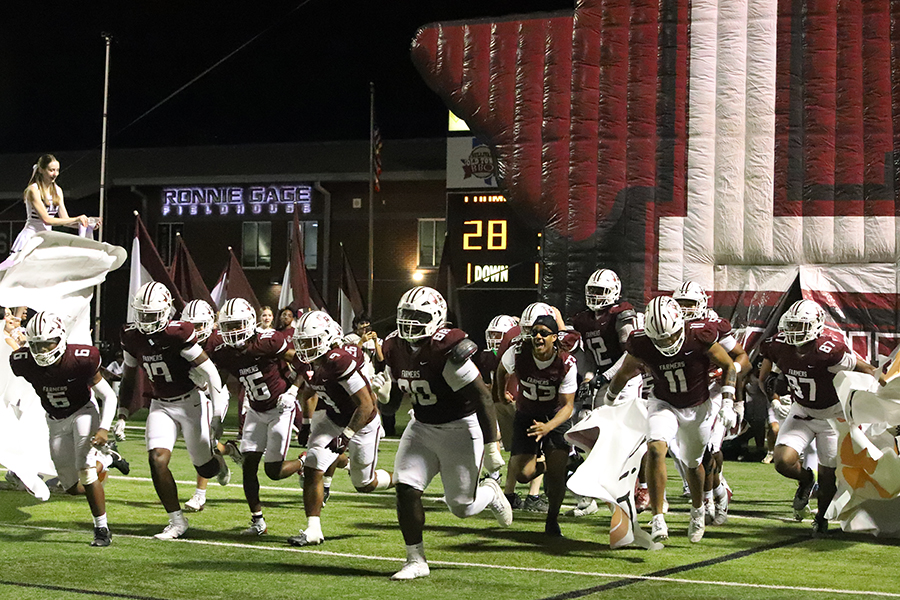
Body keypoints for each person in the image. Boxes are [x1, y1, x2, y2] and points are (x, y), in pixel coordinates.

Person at [383, 286, 511, 580]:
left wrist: (492, 446)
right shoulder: (394, 347)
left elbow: (482, 397)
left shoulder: (446, 349)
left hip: (460, 428)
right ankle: (416, 560)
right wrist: (383, 395)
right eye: (406, 314)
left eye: (419, 316)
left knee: (462, 507)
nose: (410, 321)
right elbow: (391, 409)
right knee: (405, 487)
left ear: (437, 318)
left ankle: (490, 492)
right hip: (422, 426)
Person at [606, 295, 739, 544]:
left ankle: (698, 510)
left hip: (698, 406)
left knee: (693, 463)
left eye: (669, 335)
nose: (666, 342)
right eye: (659, 338)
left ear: (680, 325)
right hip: (663, 402)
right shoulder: (642, 342)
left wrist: (730, 401)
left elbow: (730, 365)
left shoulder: (700, 335)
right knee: (655, 448)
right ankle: (658, 518)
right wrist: (609, 401)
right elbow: (625, 371)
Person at [118, 282, 230, 540]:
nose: (145, 320)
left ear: (167, 312)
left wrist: (216, 414)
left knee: (206, 469)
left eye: (152, 315)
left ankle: (218, 462)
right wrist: (123, 412)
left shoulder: (178, 333)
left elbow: (211, 372)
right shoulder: (131, 336)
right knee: (157, 460)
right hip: (160, 405)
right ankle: (177, 520)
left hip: (190, 402)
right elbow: (129, 376)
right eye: (142, 314)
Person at [758, 299, 878, 535]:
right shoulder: (778, 345)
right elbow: (765, 377)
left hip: (832, 417)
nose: (792, 332)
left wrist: (884, 385)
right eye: (790, 326)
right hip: (801, 410)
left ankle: (821, 519)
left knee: (828, 477)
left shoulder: (829, 351)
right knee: (782, 461)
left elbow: (864, 369)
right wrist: (773, 395)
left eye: (799, 326)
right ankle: (805, 479)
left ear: (815, 326)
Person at [10, 312, 123, 546]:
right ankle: (109, 459)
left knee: (86, 469)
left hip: (82, 412)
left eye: (47, 344)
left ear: (61, 339)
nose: (41, 351)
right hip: (55, 420)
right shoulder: (22, 360)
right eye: (36, 345)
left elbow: (108, 396)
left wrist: (103, 428)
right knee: (72, 487)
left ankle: (101, 529)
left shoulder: (81, 358)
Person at [289, 310, 392, 546]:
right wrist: (305, 423)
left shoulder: (339, 360)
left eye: (311, 341)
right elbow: (309, 389)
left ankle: (403, 479)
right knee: (313, 465)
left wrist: (346, 437)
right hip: (334, 418)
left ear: (327, 338)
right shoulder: (307, 361)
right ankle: (313, 529)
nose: (305, 347)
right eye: (302, 341)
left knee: (364, 484)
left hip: (362, 423)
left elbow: (365, 405)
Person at [206, 298, 306, 537]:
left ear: (250, 322)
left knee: (273, 471)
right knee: (249, 466)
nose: (232, 331)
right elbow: (214, 379)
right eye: (227, 326)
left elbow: (303, 362)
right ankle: (258, 521)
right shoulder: (223, 352)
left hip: (280, 408)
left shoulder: (269, 341)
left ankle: (303, 462)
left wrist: (293, 390)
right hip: (255, 410)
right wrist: (216, 414)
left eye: (237, 325)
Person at [673, 280, 750, 526]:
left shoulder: (711, 327)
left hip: (714, 392)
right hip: (684, 392)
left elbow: (740, 359)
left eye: (690, 304)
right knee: (689, 450)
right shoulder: (668, 324)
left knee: (708, 449)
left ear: (702, 304)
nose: (684, 309)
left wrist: (734, 398)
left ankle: (709, 498)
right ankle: (717, 491)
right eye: (680, 304)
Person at [496, 314, 576, 536]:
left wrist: (548, 427)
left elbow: (568, 406)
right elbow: (502, 369)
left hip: (555, 417)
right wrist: (500, 393)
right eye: (535, 333)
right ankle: (548, 464)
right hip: (527, 414)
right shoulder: (519, 352)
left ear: (554, 338)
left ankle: (552, 520)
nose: (538, 337)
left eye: (544, 333)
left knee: (557, 476)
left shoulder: (566, 362)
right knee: (522, 474)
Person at [570, 269, 642, 513]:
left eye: (600, 291)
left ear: (613, 291)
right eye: (592, 291)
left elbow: (629, 352)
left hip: (627, 379)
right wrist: (589, 377)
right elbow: (587, 356)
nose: (596, 296)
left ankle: (639, 487)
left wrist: (606, 377)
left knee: (623, 435)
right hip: (600, 380)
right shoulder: (583, 319)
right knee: (587, 431)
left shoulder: (621, 315)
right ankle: (595, 491)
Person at [179, 299, 243, 513]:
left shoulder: (219, 341)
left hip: (215, 393)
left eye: (198, 325)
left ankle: (199, 496)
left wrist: (210, 383)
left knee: (205, 441)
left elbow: (227, 370)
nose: (194, 330)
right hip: (194, 393)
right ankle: (228, 451)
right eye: (190, 325)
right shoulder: (180, 339)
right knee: (204, 444)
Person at [11, 154, 98, 255]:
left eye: (57, 170)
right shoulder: (33, 190)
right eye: (51, 170)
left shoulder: (58, 191)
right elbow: (47, 220)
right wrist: (76, 219)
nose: (55, 174)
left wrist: (86, 224)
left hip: (46, 240)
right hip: (31, 238)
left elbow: (65, 220)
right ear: (41, 170)